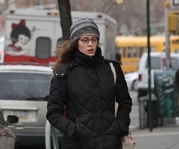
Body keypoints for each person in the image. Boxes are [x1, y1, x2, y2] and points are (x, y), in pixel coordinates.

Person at [46, 17, 132, 149]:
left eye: (94, 39)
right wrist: (74, 130)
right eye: (85, 40)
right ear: (76, 42)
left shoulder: (112, 68)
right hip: (78, 144)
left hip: (110, 143)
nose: (90, 44)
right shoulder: (65, 73)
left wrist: (121, 126)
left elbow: (125, 102)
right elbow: (53, 113)